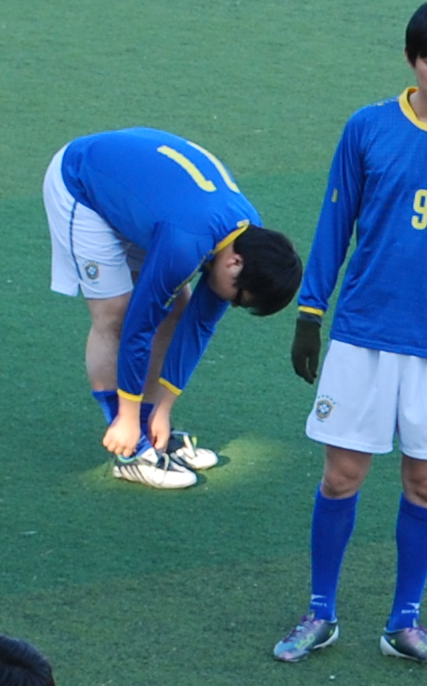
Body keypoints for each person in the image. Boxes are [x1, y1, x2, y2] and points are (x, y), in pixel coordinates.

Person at [274, 0, 427, 671]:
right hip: (363, 334)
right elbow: (335, 220)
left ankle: (404, 624)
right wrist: (310, 312)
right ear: (411, 60)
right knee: (341, 476)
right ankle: (320, 613)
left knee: (426, 484)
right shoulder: (368, 128)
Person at [41, 125, 302, 490]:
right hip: (81, 184)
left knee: (178, 307)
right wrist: (127, 416)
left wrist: (161, 410)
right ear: (234, 264)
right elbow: (139, 328)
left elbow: (199, 327)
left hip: (145, 203)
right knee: (116, 313)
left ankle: (148, 428)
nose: (229, 304)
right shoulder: (187, 243)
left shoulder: (246, 238)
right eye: (236, 298)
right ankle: (129, 449)